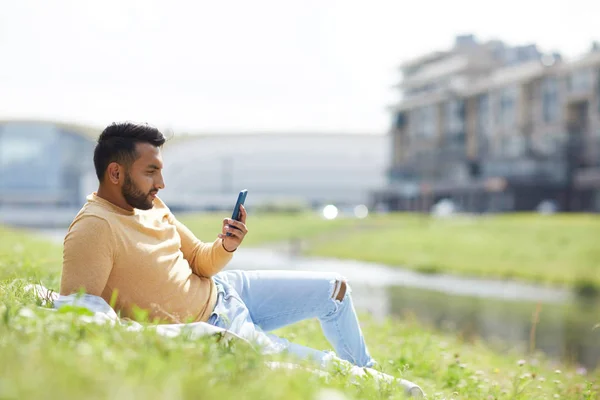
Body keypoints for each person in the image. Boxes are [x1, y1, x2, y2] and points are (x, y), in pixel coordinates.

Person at [60, 122, 424, 397]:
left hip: (228, 290)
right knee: (328, 368)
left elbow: (201, 261)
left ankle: (370, 373)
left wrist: (226, 245)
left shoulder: (150, 204)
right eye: (151, 171)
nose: (162, 183)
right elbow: (81, 314)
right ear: (115, 173)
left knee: (335, 290)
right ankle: (383, 388)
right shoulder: (94, 228)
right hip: (217, 325)